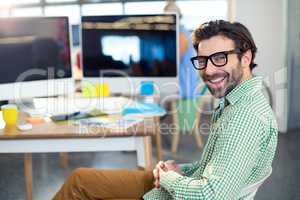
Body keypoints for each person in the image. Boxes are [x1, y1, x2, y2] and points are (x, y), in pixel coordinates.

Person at [53, 20, 278, 200]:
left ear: (245, 58)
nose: (208, 70)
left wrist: (168, 178)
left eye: (219, 58)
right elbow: (211, 170)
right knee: (81, 178)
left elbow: (211, 195)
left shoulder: (245, 116)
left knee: (79, 186)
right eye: (202, 60)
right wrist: (176, 170)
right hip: (180, 187)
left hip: (180, 194)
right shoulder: (238, 101)